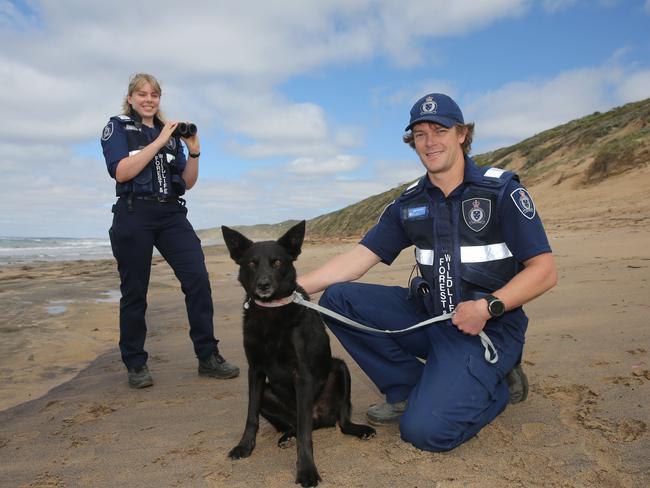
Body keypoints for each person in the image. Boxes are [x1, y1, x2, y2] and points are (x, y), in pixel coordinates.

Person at [298, 92, 557, 452]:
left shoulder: (500, 191)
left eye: (440, 130)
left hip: (486, 328)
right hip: (431, 317)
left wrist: (487, 308)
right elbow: (360, 257)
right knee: (339, 298)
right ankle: (407, 387)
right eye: (420, 134)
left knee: (424, 432)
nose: (430, 142)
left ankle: (498, 385)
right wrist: (294, 286)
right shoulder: (410, 202)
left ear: (462, 134)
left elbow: (544, 271)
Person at [101, 73, 239, 388]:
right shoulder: (118, 128)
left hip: (172, 214)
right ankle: (136, 363)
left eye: (155, 95)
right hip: (134, 212)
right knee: (135, 292)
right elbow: (121, 172)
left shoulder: (174, 136)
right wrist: (159, 140)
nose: (149, 100)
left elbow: (187, 183)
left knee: (198, 280)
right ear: (131, 98)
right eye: (142, 94)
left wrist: (194, 151)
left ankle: (208, 356)